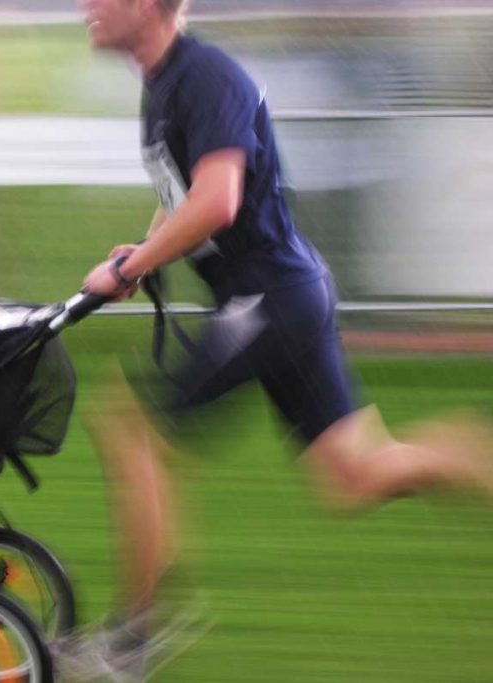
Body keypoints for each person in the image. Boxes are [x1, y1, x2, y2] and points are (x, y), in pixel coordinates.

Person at [56, 0, 493, 679]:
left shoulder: (206, 76)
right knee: (358, 475)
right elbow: (187, 195)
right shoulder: (166, 83)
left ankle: (133, 639)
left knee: (134, 426)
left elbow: (219, 200)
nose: (85, 4)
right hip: (281, 296)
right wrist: (147, 249)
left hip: (269, 297)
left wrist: (130, 266)